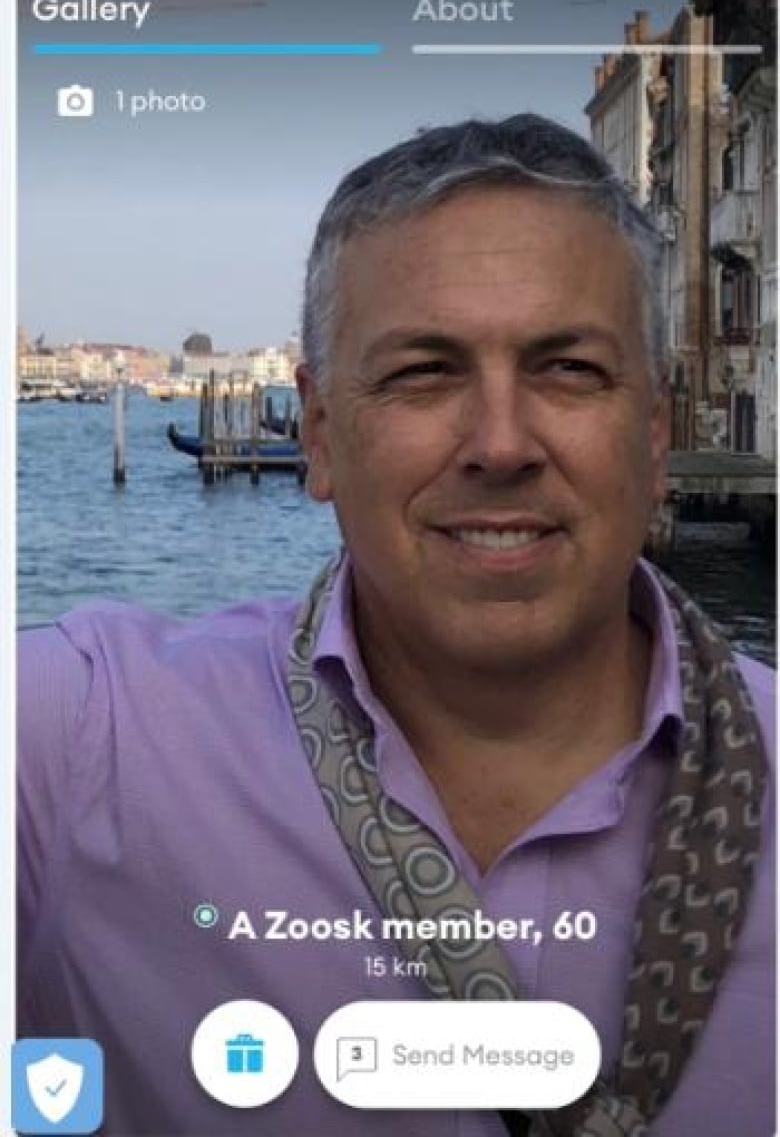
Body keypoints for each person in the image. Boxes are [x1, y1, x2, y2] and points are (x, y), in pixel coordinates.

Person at [18, 115, 774, 1137]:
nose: (501, 443)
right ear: (320, 437)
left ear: (652, 436)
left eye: (567, 369)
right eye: (424, 373)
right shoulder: (85, 749)